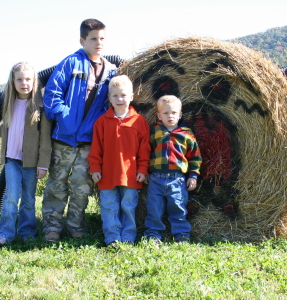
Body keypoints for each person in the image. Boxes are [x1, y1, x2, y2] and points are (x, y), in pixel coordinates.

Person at [42, 18, 117, 242]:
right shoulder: (70, 63)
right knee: (57, 185)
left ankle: (75, 225)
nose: (98, 43)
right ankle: (52, 228)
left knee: (82, 186)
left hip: (88, 141)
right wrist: (64, 118)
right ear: (82, 40)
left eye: (102, 38)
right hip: (63, 138)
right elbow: (52, 94)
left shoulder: (111, 71)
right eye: (93, 39)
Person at [0, 62, 52, 246]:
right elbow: (9, 130)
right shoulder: (9, 104)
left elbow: (45, 139)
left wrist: (43, 164)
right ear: (13, 82)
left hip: (32, 163)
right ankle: (5, 234)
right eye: (19, 79)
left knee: (28, 199)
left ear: (34, 81)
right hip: (11, 159)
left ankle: (27, 233)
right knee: (10, 196)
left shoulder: (40, 107)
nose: (24, 83)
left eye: (28, 79)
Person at [88, 75, 151, 246]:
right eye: (115, 96)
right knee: (109, 207)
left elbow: (144, 149)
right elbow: (96, 149)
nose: (119, 99)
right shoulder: (101, 123)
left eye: (123, 95)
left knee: (129, 207)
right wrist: (95, 168)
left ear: (131, 97)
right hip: (107, 175)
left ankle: (129, 236)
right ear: (109, 98)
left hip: (130, 175)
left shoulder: (139, 122)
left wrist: (142, 170)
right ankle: (112, 237)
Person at [143, 95, 202, 243]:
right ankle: (153, 234)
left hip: (178, 179)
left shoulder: (186, 134)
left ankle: (181, 234)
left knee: (178, 207)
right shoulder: (154, 132)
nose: (170, 116)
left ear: (180, 114)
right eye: (166, 113)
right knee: (154, 209)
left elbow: (195, 156)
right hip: (156, 178)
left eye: (174, 113)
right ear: (159, 115)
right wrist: (145, 172)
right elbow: (145, 153)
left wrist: (193, 175)